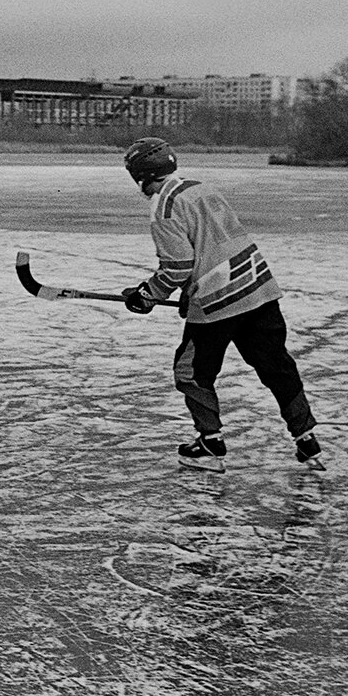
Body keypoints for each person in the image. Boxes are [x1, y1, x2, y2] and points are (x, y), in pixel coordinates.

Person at [117, 137, 323, 473]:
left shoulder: (164, 207)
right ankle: (306, 437)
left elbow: (179, 265)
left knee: (191, 372)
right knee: (276, 365)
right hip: (259, 289)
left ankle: (210, 443)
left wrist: (147, 295)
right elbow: (213, 245)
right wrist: (187, 292)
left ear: (140, 176)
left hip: (218, 302)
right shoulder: (200, 188)